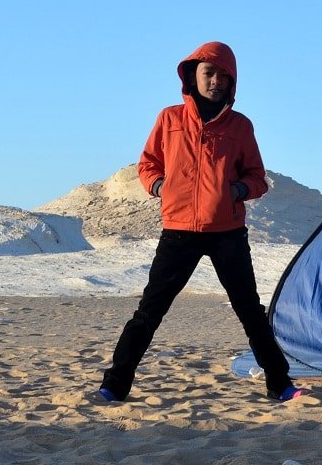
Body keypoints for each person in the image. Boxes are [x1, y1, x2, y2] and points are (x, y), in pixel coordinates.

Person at [98, 41, 306, 403]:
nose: (216, 81)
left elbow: (258, 177)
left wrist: (238, 189)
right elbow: (148, 164)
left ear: (232, 82)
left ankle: (280, 384)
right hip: (178, 231)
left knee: (250, 312)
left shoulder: (240, 126)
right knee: (150, 311)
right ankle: (114, 385)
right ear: (192, 76)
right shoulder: (169, 119)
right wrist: (160, 186)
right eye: (209, 73)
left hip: (227, 232)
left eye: (224, 76)